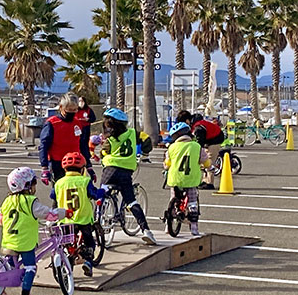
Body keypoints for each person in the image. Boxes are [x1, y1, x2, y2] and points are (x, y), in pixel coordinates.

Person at [0, 167, 72, 295]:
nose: (34, 186)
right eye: (32, 183)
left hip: (9, 240)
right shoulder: (30, 202)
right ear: (26, 185)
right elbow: (49, 214)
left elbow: (1, 217)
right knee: (30, 267)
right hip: (25, 242)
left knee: (8, 266)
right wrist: (64, 213)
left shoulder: (7, 201)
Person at [99, 108, 156, 245]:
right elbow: (147, 140)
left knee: (101, 194)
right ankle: (146, 230)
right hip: (126, 171)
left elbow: (103, 153)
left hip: (110, 169)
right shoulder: (134, 134)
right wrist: (145, 154)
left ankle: (98, 222)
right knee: (131, 201)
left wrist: (104, 157)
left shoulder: (110, 139)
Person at [51, 152, 105, 277]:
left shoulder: (59, 183)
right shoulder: (85, 181)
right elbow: (94, 194)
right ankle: (88, 262)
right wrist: (103, 191)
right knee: (89, 242)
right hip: (83, 219)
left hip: (65, 220)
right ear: (82, 169)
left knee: (66, 242)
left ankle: (68, 259)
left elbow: (52, 196)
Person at [163, 123, 211, 235]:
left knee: (173, 199)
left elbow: (167, 164)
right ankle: (194, 228)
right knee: (192, 202)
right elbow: (206, 161)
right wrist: (209, 167)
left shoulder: (171, 147)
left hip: (175, 179)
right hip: (191, 179)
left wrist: (166, 167)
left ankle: (168, 225)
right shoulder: (197, 147)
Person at [39, 92, 95, 187]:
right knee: (60, 193)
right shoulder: (52, 123)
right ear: (61, 107)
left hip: (77, 163)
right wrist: (44, 167)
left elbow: (82, 145)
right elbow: (43, 145)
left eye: (74, 110)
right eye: (69, 110)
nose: (72, 113)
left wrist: (89, 165)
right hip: (58, 163)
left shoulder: (77, 123)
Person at [176, 111, 224, 190]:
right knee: (204, 160)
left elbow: (199, 142)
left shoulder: (198, 128)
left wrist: (196, 151)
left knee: (209, 160)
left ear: (187, 121)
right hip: (210, 139)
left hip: (215, 140)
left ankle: (210, 182)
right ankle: (205, 181)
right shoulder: (196, 124)